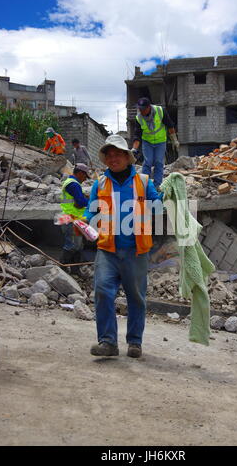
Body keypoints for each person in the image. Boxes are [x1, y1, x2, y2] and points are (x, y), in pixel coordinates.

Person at [84, 134, 162, 358]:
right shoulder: (100, 183)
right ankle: (108, 342)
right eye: (109, 154)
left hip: (136, 251)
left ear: (128, 158)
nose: (113, 158)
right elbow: (92, 209)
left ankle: (135, 342)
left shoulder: (144, 181)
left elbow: (156, 204)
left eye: (118, 154)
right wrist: (84, 220)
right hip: (107, 249)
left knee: (136, 296)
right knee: (102, 292)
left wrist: (161, 202)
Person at [131, 97, 179, 189]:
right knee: (147, 162)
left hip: (160, 142)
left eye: (143, 109)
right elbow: (137, 135)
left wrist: (174, 140)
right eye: (139, 109)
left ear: (149, 107)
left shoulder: (160, 111)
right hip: (147, 142)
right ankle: (145, 185)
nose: (141, 111)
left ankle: (157, 186)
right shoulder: (139, 118)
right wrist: (134, 149)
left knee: (158, 162)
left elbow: (170, 125)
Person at [59, 163, 90, 270]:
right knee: (71, 245)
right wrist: (90, 201)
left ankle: (75, 269)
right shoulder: (73, 184)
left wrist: (83, 199)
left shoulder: (72, 183)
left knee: (78, 245)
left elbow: (78, 201)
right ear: (80, 173)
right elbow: (80, 202)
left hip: (72, 218)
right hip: (70, 218)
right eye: (85, 176)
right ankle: (62, 268)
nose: (85, 179)